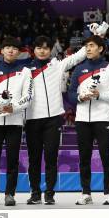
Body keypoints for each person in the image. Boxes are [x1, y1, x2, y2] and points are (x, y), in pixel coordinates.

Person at [24, 34, 88, 205]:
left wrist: (95, 37)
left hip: (53, 119)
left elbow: (78, 56)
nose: (42, 51)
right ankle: (35, 193)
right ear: (34, 50)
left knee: (51, 158)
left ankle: (50, 193)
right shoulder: (25, 70)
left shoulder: (58, 66)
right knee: (34, 159)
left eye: (46, 48)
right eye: (39, 48)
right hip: (32, 119)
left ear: (50, 49)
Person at [67, 35, 109, 205]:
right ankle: (86, 193)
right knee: (84, 157)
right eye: (86, 46)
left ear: (100, 48)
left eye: (91, 46)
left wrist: (100, 96)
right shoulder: (78, 69)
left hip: (103, 119)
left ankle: (108, 193)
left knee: (106, 156)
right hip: (82, 120)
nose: (88, 49)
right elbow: (70, 94)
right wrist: (80, 98)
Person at [0, 36, 33, 207]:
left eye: (14, 48)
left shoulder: (25, 71)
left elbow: (28, 97)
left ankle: (10, 194)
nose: (10, 50)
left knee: (12, 159)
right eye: (7, 47)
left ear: (19, 52)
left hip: (15, 122)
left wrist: (14, 107)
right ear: (1, 51)